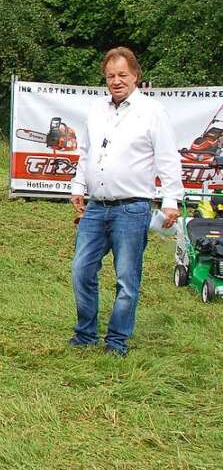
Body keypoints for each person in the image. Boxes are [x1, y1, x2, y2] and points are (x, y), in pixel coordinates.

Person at [68, 47, 183, 357]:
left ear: (136, 76)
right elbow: (87, 151)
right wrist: (78, 185)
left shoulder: (152, 111)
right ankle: (85, 333)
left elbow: (167, 158)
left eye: (122, 75)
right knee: (81, 270)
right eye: (110, 76)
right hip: (96, 206)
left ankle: (116, 341)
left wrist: (171, 199)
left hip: (133, 208)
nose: (116, 81)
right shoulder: (96, 109)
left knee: (126, 279)